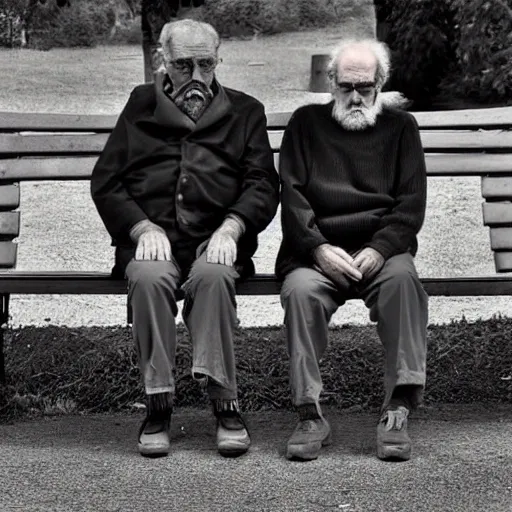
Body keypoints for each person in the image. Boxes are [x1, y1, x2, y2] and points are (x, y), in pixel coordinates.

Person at [91, 19, 279, 458]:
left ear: (218, 61)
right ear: (163, 61)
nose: (196, 77)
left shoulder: (246, 111)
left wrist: (232, 228)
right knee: (148, 276)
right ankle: (158, 402)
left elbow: (262, 185)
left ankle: (225, 402)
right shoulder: (140, 105)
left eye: (206, 64)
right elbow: (107, 180)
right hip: (152, 240)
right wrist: (141, 227)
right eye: (183, 65)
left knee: (213, 277)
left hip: (215, 240)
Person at [276, 38, 428, 462]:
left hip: (380, 251)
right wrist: (318, 248)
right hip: (316, 253)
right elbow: (292, 198)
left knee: (403, 284)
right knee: (301, 294)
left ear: (381, 84)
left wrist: (381, 249)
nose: (356, 97)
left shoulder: (401, 128)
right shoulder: (306, 124)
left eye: (365, 87)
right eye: (346, 87)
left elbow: (411, 204)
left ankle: (397, 409)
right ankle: (309, 413)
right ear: (331, 84)